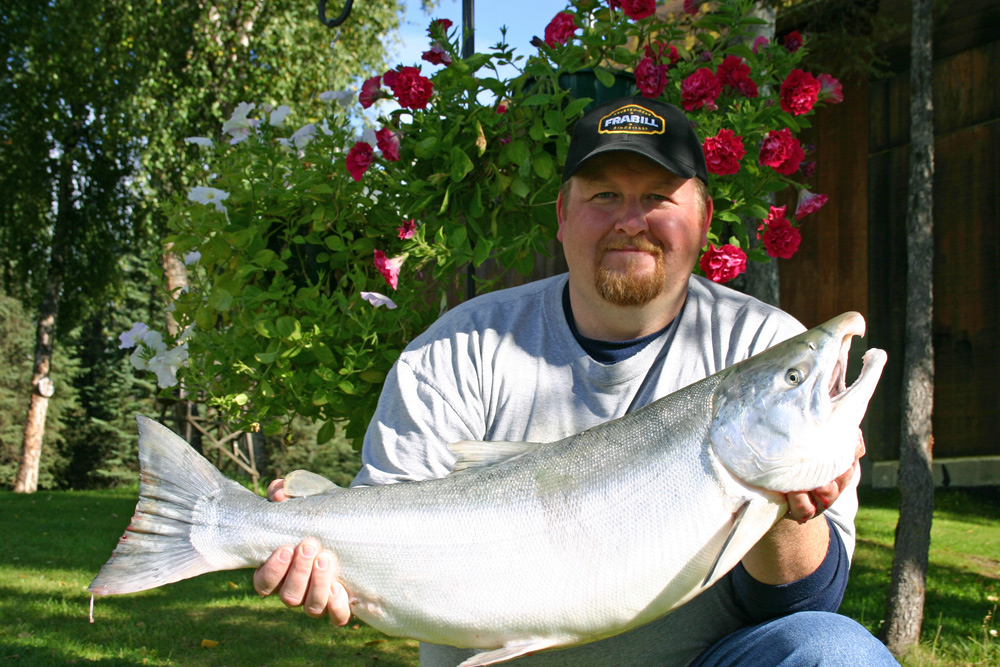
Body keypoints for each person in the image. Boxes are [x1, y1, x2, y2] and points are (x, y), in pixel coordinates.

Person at [253, 96, 898, 666]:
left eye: (657, 198)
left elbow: (808, 600)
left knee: (838, 654)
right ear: (561, 215)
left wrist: (786, 508)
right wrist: (317, 560)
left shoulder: (762, 344)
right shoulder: (454, 353)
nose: (630, 219)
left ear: (702, 220)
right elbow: (382, 532)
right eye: (604, 196)